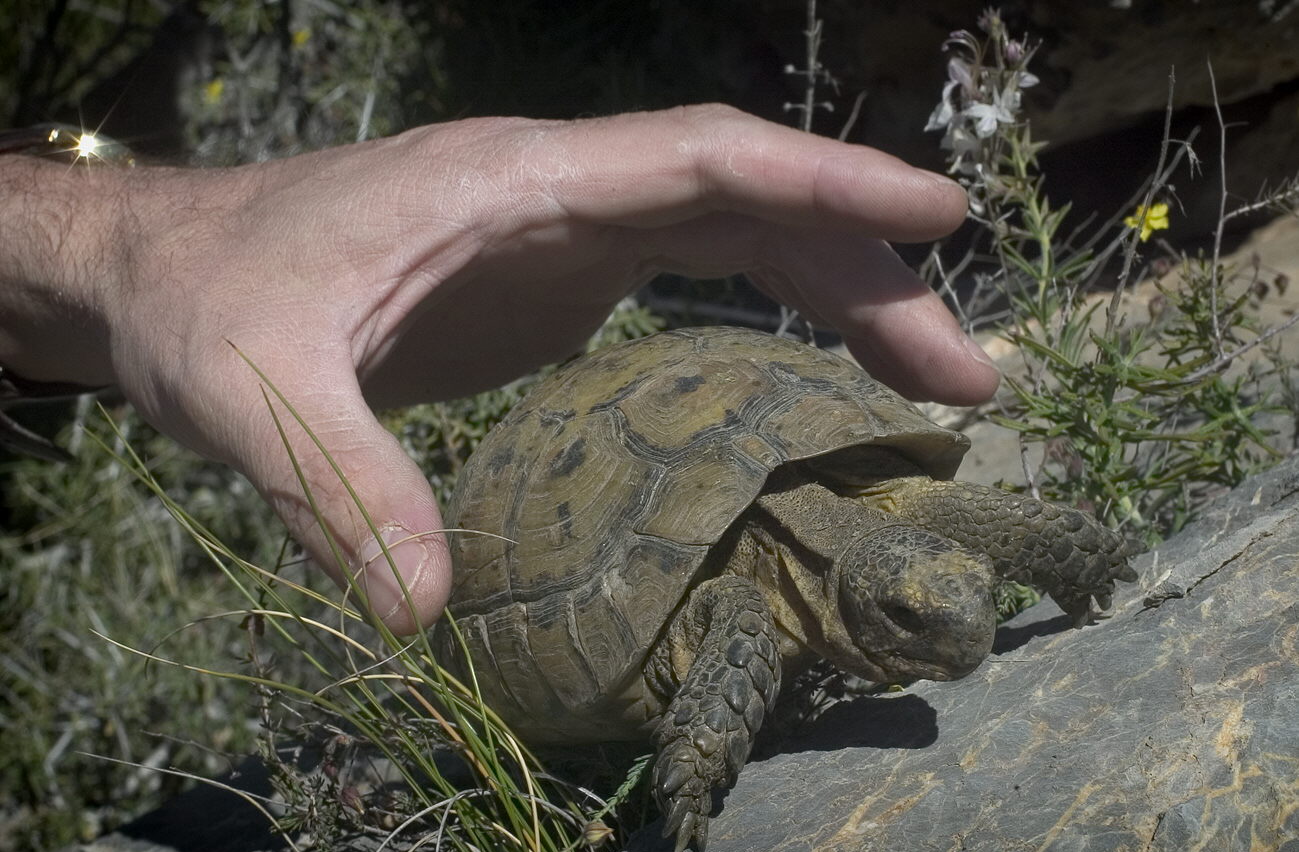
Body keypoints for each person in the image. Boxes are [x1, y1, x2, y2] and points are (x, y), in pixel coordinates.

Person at [0, 105, 999, 634]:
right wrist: (124, 249)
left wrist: (108, 241)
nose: (947, 634)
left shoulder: (885, 513)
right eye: (910, 616)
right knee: (734, 616)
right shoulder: (740, 601)